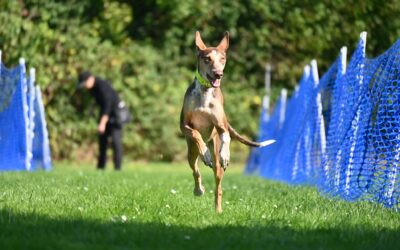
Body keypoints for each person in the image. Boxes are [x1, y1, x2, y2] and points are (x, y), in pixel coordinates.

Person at [77, 71, 123, 170]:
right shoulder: (92, 88)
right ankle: (101, 167)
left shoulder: (102, 86)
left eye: (85, 83)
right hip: (105, 114)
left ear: (90, 79)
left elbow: (108, 105)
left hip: (115, 115)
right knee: (102, 142)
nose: (85, 86)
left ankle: (118, 168)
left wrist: (102, 123)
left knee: (116, 142)